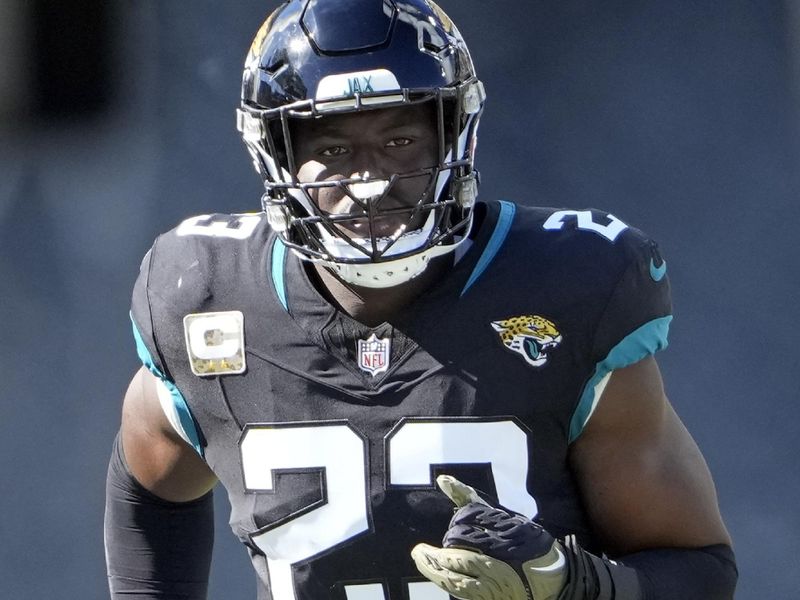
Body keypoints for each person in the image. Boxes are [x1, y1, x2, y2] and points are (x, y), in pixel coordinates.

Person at [104, 0, 737, 598]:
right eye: (332, 150)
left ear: (452, 135)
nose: (372, 182)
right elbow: (149, 489)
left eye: (400, 142)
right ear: (277, 157)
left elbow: (697, 567)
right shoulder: (207, 295)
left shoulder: (566, 286)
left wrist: (567, 581)